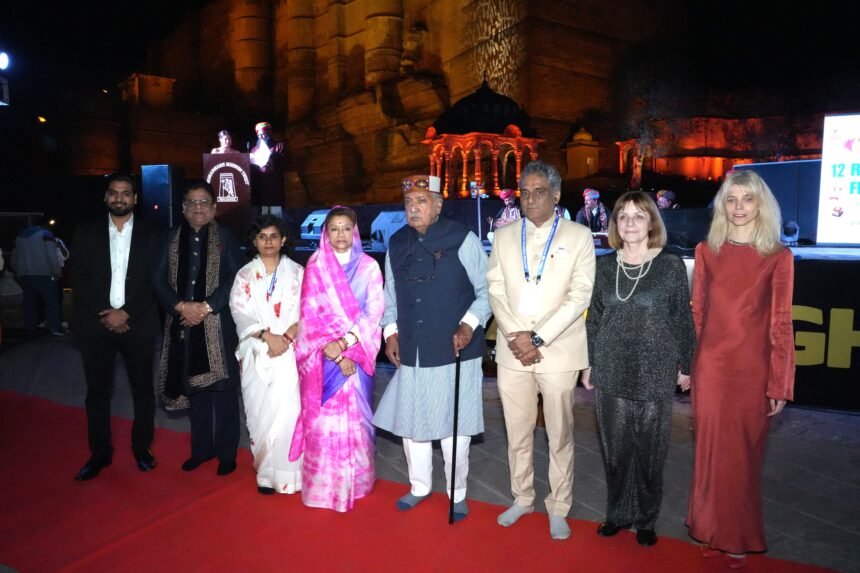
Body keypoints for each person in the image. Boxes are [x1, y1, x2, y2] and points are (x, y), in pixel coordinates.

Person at [686, 169, 795, 569]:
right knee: (710, 454)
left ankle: (738, 535)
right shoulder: (706, 251)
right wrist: (690, 364)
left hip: (752, 372)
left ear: (761, 204)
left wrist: (780, 382)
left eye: (747, 199)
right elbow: (698, 313)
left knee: (742, 458)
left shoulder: (778, 257)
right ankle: (711, 528)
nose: (739, 207)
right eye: (731, 199)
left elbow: (781, 322)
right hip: (711, 370)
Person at [487, 160, 596, 540]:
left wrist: (537, 338)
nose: (530, 199)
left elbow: (580, 295)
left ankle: (559, 505)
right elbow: (495, 289)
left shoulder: (579, 236)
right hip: (512, 351)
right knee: (517, 431)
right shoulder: (503, 236)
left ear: (556, 194)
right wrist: (517, 336)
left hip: (559, 350)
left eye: (539, 192)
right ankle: (522, 497)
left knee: (559, 432)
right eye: (525, 193)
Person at [373, 174, 491, 521]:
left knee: (456, 427)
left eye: (421, 201)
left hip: (456, 348)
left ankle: (458, 492)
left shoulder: (463, 238)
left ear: (438, 206)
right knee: (413, 424)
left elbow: (488, 290)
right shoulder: (397, 242)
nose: (413, 208)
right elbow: (389, 295)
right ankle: (419, 485)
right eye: (408, 202)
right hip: (413, 348)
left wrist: (469, 323)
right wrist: (390, 332)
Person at [581, 191, 695, 546]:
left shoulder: (670, 265)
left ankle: (646, 518)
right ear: (614, 223)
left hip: (654, 368)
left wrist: (687, 363)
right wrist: (589, 362)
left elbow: (682, 318)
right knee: (615, 451)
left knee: (650, 451)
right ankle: (618, 513)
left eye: (639, 216)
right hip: (611, 365)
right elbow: (594, 320)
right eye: (623, 216)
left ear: (651, 223)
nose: (630, 223)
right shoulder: (604, 267)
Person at [289, 206, 384, 512]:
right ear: (325, 233)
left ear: (354, 231)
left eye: (346, 228)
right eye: (334, 228)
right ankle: (324, 487)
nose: (341, 234)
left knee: (357, 422)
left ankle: (357, 482)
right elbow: (310, 316)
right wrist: (333, 353)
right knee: (324, 424)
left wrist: (346, 348)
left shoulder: (369, 267)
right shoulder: (316, 265)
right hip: (323, 359)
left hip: (357, 354)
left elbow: (374, 314)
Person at [70, 173, 161, 481]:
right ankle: (99, 453)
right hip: (96, 325)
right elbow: (78, 278)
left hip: (139, 324)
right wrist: (108, 315)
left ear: (135, 198)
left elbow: (156, 280)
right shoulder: (86, 231)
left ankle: (142, 449)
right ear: (105, 197)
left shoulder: (153, 234)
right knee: (97, 392)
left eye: (125, 193)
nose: (119, 198)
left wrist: (127, 314)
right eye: (113, 192)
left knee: (143, 391)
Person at [152, 179, 244, 476]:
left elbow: (235, 278)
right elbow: (157, 279)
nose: (198, 207)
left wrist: (205, 307)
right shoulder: (170, 238)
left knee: (224, 392)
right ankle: (201, 450)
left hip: (218, 325)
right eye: (192, 202)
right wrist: (181, 306)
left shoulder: (226, 237)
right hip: (183, 324)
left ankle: (227, 454)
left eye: (204, 202)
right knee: (195, 390)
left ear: (214, 207)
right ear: (183, 207)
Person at [229, 214, 303, 495]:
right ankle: (265, 475)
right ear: (254, 241)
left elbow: (309, 309)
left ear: (283, 240)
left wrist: (287, 336)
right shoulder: (245, 275)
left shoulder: (298, 273)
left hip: (290, 351)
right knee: (259, 414)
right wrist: (267, 337)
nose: (268, 242)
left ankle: (291, 476)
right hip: (257, 351)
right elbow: (239, 311)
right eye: (262, 237)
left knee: (290, 415)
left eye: (274, 236)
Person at [12, 216, 64, 336]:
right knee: (51, 303)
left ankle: (30, 328)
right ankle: (55, 328)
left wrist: (18, 271)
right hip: (44, 275)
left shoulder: (19, 236)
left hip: (25, 275)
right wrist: (56, 272)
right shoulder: (46, 235)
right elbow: (52, 256)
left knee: (29, 303)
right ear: (45, 225)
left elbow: (14, 258)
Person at [249, 121, 287, 213]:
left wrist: (271, 158)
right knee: (264, 210)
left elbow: (285, 162)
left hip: (275, 182)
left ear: (269, 134)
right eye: (259, 135)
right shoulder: (254, 149)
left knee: (276, 209)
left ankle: (277, 221)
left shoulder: (279, 146)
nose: (261, 137)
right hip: (262, 183)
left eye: (263, 134)